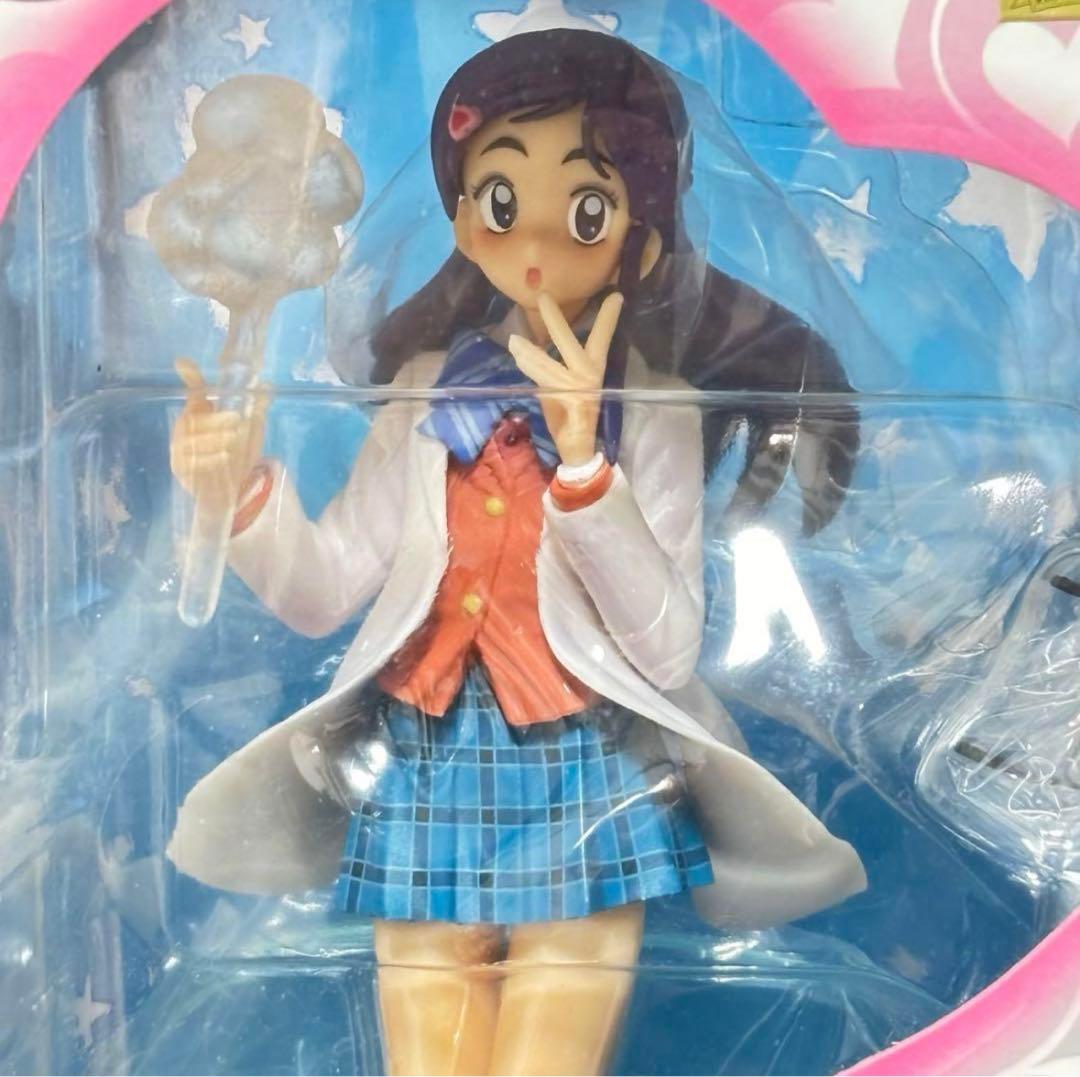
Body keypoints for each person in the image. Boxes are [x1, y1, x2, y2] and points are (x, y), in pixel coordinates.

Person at [166, 29, 866, 1076]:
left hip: (589, 768)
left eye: (585, 209)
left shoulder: (655, 410)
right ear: (462, 217)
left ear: (641, 238)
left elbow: (667, 649)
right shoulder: (424, 392)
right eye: (501, 198)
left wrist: (585, 466)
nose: (535, 235)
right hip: (422, 757)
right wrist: (238, 496)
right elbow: (321, 591)